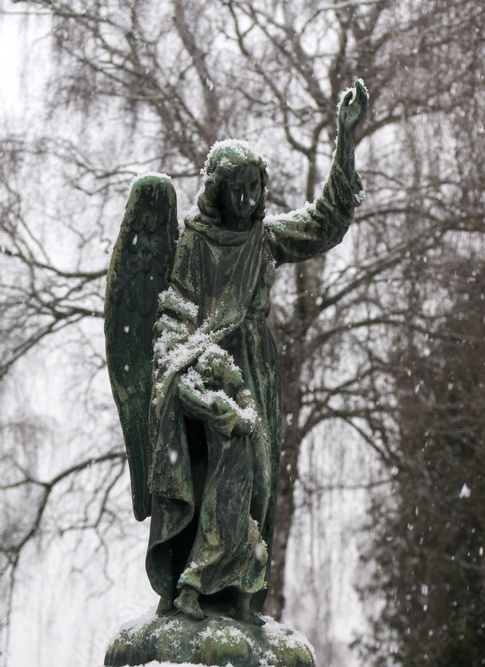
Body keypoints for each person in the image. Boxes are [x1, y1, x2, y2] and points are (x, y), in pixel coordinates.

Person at [145, 80, 368, 624]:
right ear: (216, 191)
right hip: (206, 369)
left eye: (254, 188)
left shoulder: (265, 239)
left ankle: (240, 588)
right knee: (212, 474)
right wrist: (187, 378)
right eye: (237, 190)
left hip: (256, 373)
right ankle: (192, 583)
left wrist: (345, 138)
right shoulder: (193, 244)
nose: (247, 200)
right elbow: (175, 312)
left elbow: (327, 222)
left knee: (258, 486)